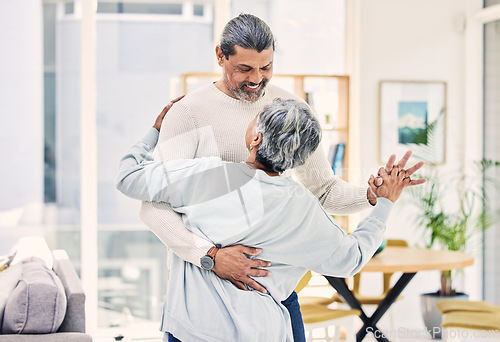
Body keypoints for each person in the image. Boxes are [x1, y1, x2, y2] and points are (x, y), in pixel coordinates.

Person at [139, 13, 426, 341]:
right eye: (245, 69)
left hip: (274, 297)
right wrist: (211, 257)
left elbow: (325, 190)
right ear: (220, 56)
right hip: (202, 302)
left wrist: (372, 195)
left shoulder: (288, 106)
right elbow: (153, 207)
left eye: (266, 67)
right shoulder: (188, 113)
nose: (256, 80)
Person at [117, 98, 420, 341]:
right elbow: (351, 259)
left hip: (195, 328)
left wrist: (154, 132)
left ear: (256, 137)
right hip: (264, 330)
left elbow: (127, 177)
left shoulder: (205, 174)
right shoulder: (301, 208)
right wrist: (384, 202)